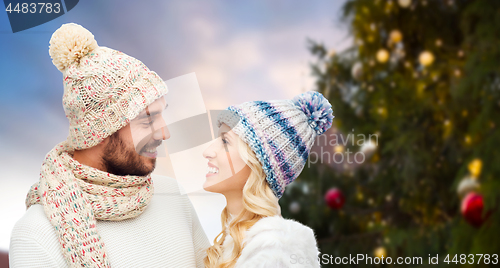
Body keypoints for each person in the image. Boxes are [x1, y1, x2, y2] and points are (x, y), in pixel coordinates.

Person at [9, 23, 209, 268]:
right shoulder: (37, 235)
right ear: (100, 130)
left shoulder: (173, 198)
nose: (164, 133)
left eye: (161, 115)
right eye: (147, 119)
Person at [202, 91, 334, 267]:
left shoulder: (276, 252)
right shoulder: (237, 243)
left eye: (225, 142)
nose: (208, 152)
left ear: (257, 163)